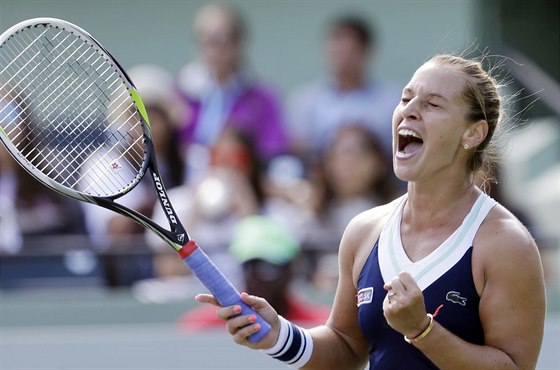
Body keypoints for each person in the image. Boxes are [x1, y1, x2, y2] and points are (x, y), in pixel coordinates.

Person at [195, 54, 546, 369]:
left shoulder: (505, 243)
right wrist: (279, 336)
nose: (409, 110)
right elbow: (347, 347)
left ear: (473, 133)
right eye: (406, 98)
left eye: (433, 104)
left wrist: (422, 331)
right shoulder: (364, 231)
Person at [178, 3, 289, 169]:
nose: (216, 50)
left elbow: (274, 150)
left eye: (223, 40)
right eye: (209, 41)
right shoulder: (180, 95)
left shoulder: (262, 99)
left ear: (239, 44)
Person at [178, 215, 330, 332]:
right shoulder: (200, 329)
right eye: (249, 266)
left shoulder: (322, 327)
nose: (256, 277)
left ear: (291, 269)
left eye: (268, 268)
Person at [287, 15, 401, 162]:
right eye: (336, 50)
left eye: (349, 50)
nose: (342, 58)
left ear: (366, 52)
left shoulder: (392, 101)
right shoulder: (304, 102)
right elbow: (299, 149)